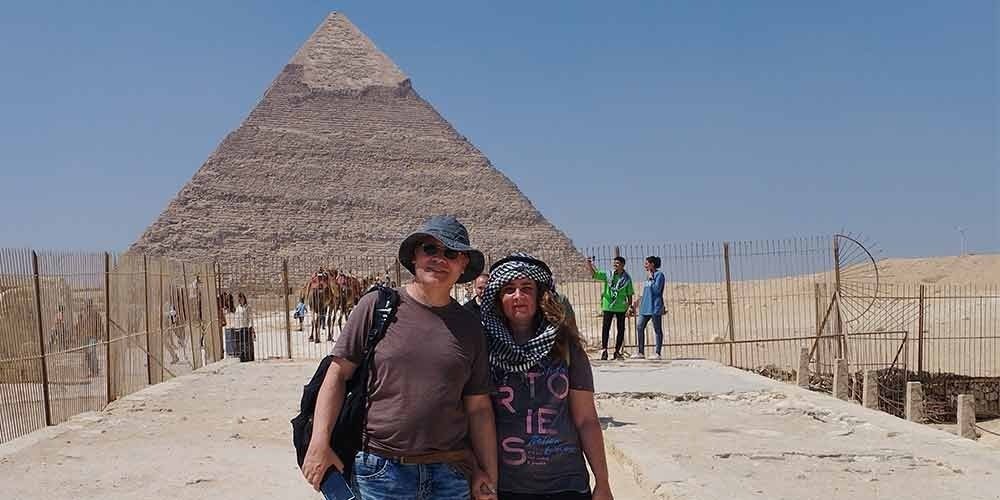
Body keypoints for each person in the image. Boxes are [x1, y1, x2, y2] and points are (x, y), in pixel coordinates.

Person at [302, 215, 498, 500]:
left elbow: (479, 408)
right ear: (415, 256)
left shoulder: (470, 328)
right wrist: (319, 442)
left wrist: (488, 474)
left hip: (450, 474)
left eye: (451, 253)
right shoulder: (376, 307)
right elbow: (337, 374)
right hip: (382, 474)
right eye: (430, 249)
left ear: (463, 263)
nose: (439, 259)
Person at [482, 253, 613, 500]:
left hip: (566, 484)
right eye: (509, 289)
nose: (518, 296)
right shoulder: (484, 350)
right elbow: (478, 417)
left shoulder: (566, 347)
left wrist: (602, 482)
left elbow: (586, 419)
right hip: (507, 486)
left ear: (540, 294)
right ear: (498, 299)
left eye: (526, 288)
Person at [586, 256, 633, 360]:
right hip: (608, 306)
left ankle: (617, 351)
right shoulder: (608, 275)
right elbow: (594, 274)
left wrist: (630, 306)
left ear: (622, 265)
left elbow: (629, 294)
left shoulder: (627, 278)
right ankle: (604, 350)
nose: (614, 265)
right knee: (605, 329)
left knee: (621, 330)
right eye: (614, 263)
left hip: (621, 307)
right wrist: (589, 265)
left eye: (617, 263)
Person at [634, 256, 666, 360]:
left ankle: (657, 353)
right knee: (639, 327)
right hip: (645, 307)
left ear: (652, 264)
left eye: (647, 263)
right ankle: (641, 351)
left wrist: (652, 278)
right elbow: (646, 291)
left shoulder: (659, 275)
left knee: (657, 329)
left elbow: (657, 290)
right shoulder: (647, 276)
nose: (645, 265)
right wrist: (638, 302)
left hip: (655, 306)